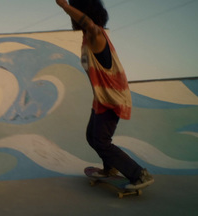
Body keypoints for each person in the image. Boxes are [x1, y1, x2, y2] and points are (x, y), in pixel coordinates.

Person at [56, 0, 154, 189]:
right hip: (102, 98)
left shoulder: (96, 34)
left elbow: (90, 25)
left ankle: (139, 174)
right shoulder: (88, 38)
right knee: (92, 137)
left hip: (113, 98)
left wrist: (64, 6)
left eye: (75, 10)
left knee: (101, 141)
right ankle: (110, 168)